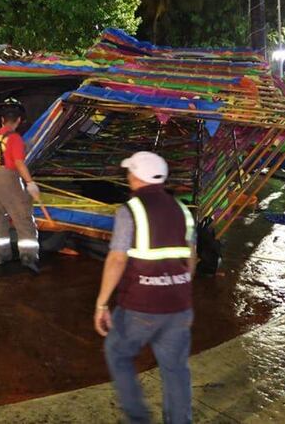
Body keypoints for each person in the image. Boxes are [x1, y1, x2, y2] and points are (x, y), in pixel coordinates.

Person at [94, 151, 196, 424]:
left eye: (130, 172)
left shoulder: (131, 210)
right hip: (179, 305)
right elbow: (191, 257)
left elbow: (117, 258)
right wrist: (179, 286)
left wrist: (102, 303)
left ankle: (138, 418)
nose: (128, 176)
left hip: (141, 306)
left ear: (137, 177)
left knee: (117, 353)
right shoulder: (183, 210)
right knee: (175, 369)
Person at [0, 98, 42, 274]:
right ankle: (28, 258)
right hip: (9, 180)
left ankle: (1, 256)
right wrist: (30, 183)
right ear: (19, 120)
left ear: (2, 119)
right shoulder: (14, 138)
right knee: (23, 218)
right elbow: (18, 163)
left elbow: (0, 155)